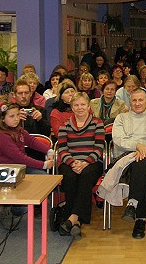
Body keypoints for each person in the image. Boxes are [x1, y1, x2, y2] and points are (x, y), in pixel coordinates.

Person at [111, 88, 146, 239]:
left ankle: (132, 204)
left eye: (141, 100)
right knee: (140, 165)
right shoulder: (121, 118)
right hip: (125, 158)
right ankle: (140, 220)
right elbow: (119, 140)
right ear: (129, 102)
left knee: (143, 162)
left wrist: (144, 149)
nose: (137, 103)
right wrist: (138, 146)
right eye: (134, 100)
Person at [57, 92, 105, 239]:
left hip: (92, 162)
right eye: (76, 105)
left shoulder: (97, 123)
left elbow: (99, 148)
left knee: (85, 176)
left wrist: (85, 163)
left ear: (88, 106)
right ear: (71, 107)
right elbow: (62, 149)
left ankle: (71, 218)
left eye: (83, 104)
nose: (80, 108)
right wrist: (73, 163)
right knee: (69, 177)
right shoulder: (64, 126)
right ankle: (76, 222)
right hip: (70, 162)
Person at [0, 103, 54, 173]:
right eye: (12, 116)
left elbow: (31, 141)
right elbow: (19, 157)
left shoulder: (18, 130)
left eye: (18, 115)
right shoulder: (2, 136)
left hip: (20, 166)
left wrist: (49, 151)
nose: (16, 119)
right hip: (9, 170)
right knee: (41, 176)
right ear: (2, 119)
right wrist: (43, 165)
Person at [13, 79, 51, 160]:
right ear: (14, 95)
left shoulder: (40, 110)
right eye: (20, 93)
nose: (23, 96)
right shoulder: (8, 112)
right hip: (14, 153)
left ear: (31, 94)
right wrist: (14, 118)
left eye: (26, 93)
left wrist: (40, 120)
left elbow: (47, 134)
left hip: (36, 153)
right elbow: (2, 134)